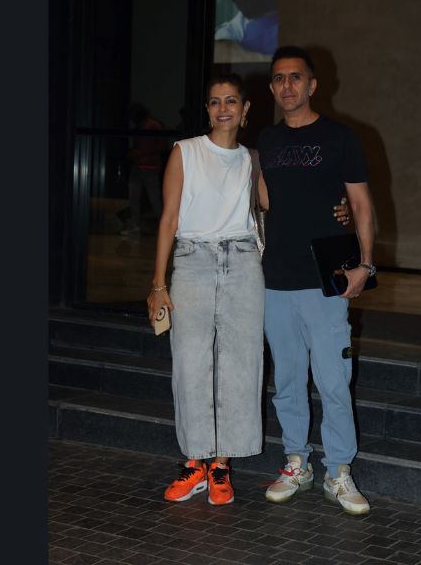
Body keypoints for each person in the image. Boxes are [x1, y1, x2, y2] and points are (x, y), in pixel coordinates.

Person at [147, 73, 350, 506]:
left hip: (242, 264)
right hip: (192, 261)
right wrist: (158, 283)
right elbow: (168, 219)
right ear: (207, 109)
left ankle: (221, 466)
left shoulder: (254, 158)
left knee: (241, 366)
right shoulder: (185, 152)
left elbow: (287, 201)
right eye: (215, 101)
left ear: (245, 109)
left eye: (231, 101)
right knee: (190, 363)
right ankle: (194, 462)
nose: (223, 108)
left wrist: (341, 206)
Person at [259, 46, 377, 515]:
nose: (286, 85)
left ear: (312, 85)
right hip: (275, 280)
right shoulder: (266, 140)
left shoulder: (339, 137)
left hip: (326, 281)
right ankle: (296, 463)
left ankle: (339, 471)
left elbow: (361, 204)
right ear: (272, 88)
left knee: (333, 381)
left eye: (295, 77)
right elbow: (265, 202)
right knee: (287, 379)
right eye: (279, 78)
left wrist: (365, 265)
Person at [121, 103, 166, 236]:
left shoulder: (153, 125)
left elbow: (162, 146)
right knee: (134, 197)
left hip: (150, 167)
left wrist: (140, 154)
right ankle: (135, 226)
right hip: (137, 166)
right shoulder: (140, 126)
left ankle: (164, 227)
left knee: (154, 198)